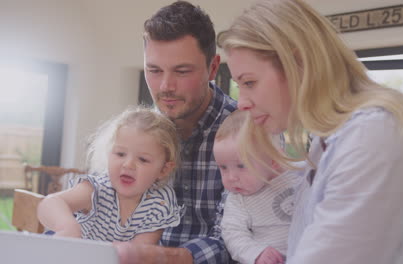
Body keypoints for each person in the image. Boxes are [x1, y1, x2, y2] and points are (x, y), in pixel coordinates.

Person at [217, 0, 403, 263]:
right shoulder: (327, 141)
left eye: (250, 82)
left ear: (298, 62)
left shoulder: (375, 134)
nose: (241, 101)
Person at [114, 1, 237, 263]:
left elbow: (243, 240)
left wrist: (168, 258)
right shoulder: (140, 131)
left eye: (182, 71)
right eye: (154, 70)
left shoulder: (247, 132)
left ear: (213, 68)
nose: (166, 86)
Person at [37, 107, 183, 245]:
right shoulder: (97, 189)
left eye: (143, 159)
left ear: (164, 169)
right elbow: (49, 203)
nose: (128, 164)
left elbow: (139, 254)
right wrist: (67, 227)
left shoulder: (159, 203)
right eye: (120, 154)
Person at [214, 110, 302, 264]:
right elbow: (233, 233)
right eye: (223, 167)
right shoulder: (238, 200)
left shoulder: (299, 176)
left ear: (273, 159)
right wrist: (256, 253)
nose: (231, 177)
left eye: (241, 166)